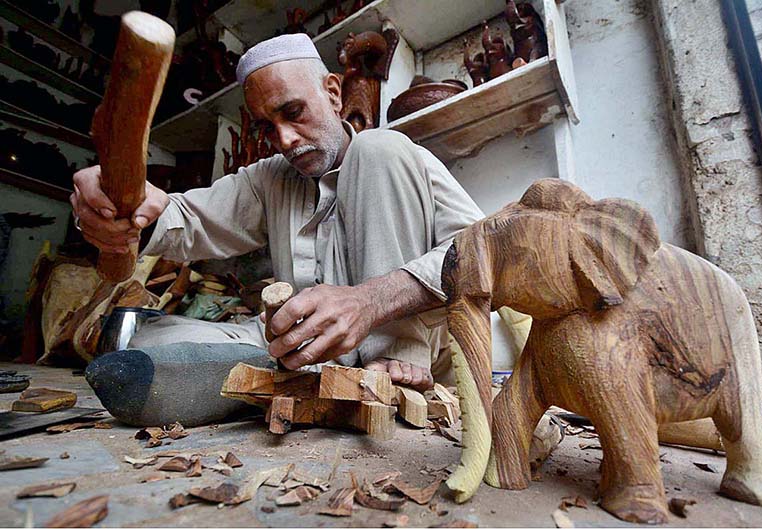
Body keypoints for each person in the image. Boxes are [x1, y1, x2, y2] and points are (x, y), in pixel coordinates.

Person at [71, 33, 484, 427]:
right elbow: (188, 217)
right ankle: (300, 378)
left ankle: (389, 361)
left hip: (405, 359)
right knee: (146, 345)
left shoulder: (399, 156)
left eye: (292, 112)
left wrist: (369, 301)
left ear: (334, 93)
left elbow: (485, 255)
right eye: (267, 127)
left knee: (378, 147)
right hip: (300, 349)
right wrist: (127, 205)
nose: (283, 139)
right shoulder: (269, 178)